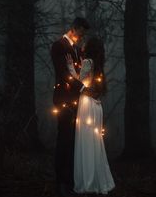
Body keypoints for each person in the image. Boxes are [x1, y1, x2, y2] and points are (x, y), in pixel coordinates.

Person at [51, 17, 95, 197]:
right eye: (81, 32)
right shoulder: (59, 46)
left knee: (73, 141)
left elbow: (77, 73)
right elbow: (63, 74)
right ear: (74, 28)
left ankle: (70, 179)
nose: (82, 36)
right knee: (64, 140)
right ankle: (61, 181)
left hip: (77, 102)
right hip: (63, 100)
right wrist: (83, 88)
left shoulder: (77, 49)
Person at [66, 37, 115, 195]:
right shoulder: (98, 64)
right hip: (96, 106)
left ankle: (87, 183)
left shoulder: (88, 62)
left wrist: (70, 67)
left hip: (87, 105)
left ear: (90, 47)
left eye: (86, 43)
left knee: (86, 143)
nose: (84, 44)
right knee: (95, 144)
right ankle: (98, 181)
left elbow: (78, 82)